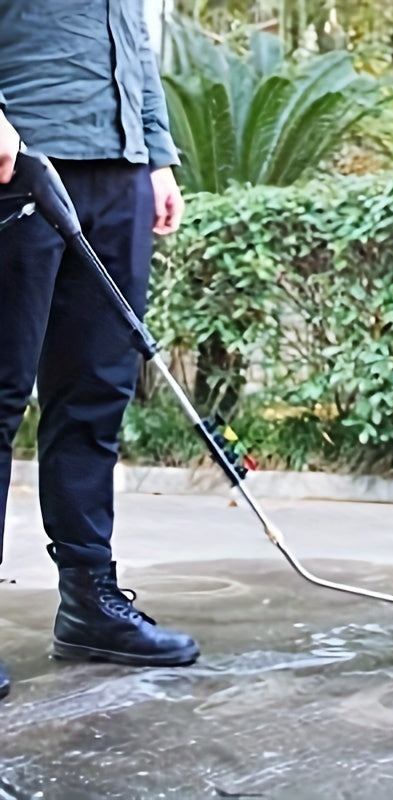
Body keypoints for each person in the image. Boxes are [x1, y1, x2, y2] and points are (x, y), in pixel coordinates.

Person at [0, 1, 199, 700]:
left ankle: (90, 604)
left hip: (119, 172)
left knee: (96, 393)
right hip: (17, 160)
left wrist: (156, 154)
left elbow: (132, 40)